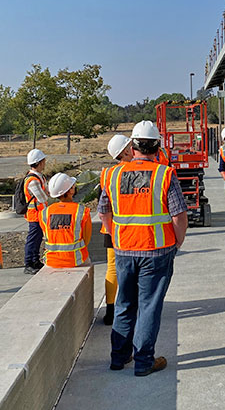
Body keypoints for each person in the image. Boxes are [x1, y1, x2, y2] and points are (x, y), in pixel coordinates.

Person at [98, 120, 188, 376]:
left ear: (133, 146)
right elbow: (179, 216)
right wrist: (178, 240)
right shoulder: (164, 173)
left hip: (124, 249)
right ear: (157, 146)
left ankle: (119, 357)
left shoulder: (112, 175)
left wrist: (116, 235)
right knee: (149, 305)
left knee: (125, 303)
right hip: (157, 250)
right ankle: (144, 361)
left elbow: (103, 211)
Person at [99, 134, 134, 325]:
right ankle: (129, 307)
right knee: (132, 270)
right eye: (130, 145)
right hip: (132, 230)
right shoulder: (138, 172)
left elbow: (102, 206)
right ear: (126, 151)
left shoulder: (107, 174)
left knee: (112, 269)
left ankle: (111, 310)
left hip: (111, 229)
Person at [40, 173, 92, 268]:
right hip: (76, 260)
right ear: (71, 191)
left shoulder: (45, 213)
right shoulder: (82, 211)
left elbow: (47, 235)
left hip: (51, 261)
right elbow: (86, 239)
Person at [23, 149, 49, 274]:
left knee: (38, 238)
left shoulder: (39, 177)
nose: (45, 163)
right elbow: (43, 197)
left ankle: (35, 261)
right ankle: (28, 263)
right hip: (34, 214)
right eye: (43, 161)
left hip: (40, 213)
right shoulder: (32, 180)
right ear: (39, 162)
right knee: (33, 239)